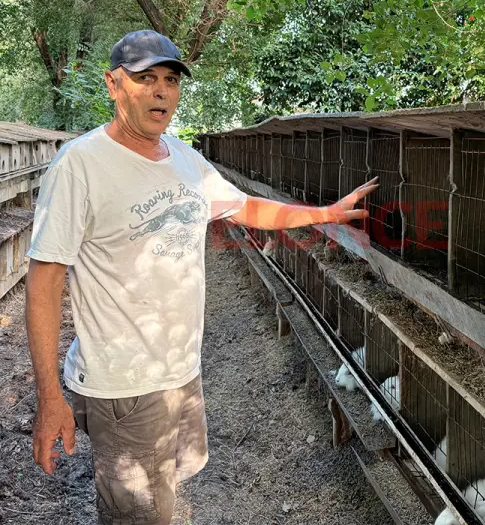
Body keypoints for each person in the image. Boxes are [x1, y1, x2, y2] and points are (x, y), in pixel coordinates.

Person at [24, 29, 378, 525]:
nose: (161, 91)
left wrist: (323, 213)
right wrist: (49, 400)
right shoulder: (81, 166)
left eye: (169, 79)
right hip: (124, 384)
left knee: (165, 494)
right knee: (138, 515)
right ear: (113, 84)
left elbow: (246, 207)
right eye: (144, 78)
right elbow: (43, 282)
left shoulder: (184, 159)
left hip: (179, 369)